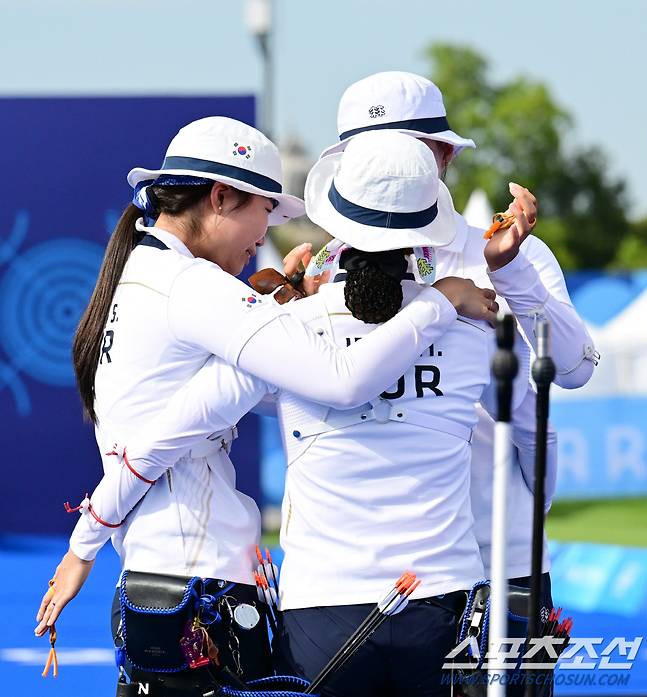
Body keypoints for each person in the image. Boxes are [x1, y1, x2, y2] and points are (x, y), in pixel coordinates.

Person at [35, 117, 495, 691]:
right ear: (222, 196)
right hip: (203, 592)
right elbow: (340, 378)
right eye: (265, 213)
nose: (266, 236)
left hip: (166, 581)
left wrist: (282, 304)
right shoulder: (194, 287)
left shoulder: (143, 274)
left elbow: (185, 413)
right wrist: (440, 302)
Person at [270, 130, 555, 697]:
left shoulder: (285, 330)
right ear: (428, 232)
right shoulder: (477, 329)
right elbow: (536, 441)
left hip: (321, 611)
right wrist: (443, 301)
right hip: (443, 601)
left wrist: (279, 300)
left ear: (337, 226)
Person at [318, 70, 598, 634]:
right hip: (364, 567)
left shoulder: (505, 250)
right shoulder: (327, 267)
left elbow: (573, 369)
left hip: (498, 552)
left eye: (406, 150)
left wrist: (509, 271)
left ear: (443, 155)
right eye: (370, 152)